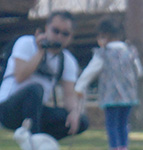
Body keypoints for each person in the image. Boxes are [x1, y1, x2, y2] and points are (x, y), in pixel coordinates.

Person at [0, 11, 89, 141]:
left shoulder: (68, 61)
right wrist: (40, 51)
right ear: (46, 29)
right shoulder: (26, 43)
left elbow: (69, 95)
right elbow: (20, 76)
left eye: (65, 34)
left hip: (36, 112)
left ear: (70, 37)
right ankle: (35, 142)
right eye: (55, 31)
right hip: (9, 108)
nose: (59, 36)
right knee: (35, 89)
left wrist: (74, 112)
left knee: (81, 121)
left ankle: (43, 142)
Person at [74, 18, 143, 150]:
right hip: (128, 95)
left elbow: (90, 71)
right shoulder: (130, 51)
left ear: (104, 35)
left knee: (112, 124)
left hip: (111, 96)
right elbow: (139, 71)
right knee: (124, 124)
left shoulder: (103, 53)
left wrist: (79, 87)